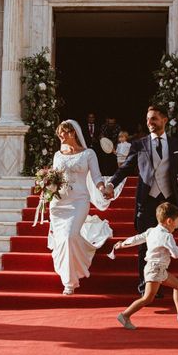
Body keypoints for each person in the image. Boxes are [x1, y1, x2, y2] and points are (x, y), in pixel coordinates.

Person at [104, 105, 178, 296]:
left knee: (162, 246)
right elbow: (125, 168)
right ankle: (144, 286)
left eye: (154, 118)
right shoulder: (139, 144)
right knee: (144, 245)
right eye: (148, 119)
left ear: (164, 120)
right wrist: (111, 184)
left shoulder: (175, 145)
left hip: (167, 203)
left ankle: (157, 282)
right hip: (146, 201)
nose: (150, 122)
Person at [113, 202, 178, 330]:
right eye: (177, 221)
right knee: (147, 298)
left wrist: (123, 244)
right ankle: (124, 315)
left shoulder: (151, 231)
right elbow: (176, 254)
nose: (177, 225)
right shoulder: (167, 236)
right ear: (169, 221)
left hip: (157, 268)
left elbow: (137, 239)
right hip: (156, 269)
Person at [49, 120, 112, 295]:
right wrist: (47, 186)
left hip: (79, 201)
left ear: (73, 133)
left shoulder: (88, 154)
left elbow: (97, 177)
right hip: (59, 203)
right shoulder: (57, 155)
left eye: (63, 132)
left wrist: (102, 189)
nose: (60, 135)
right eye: (59, 133)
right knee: (63, 238)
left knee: (70, 236)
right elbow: (54, 178)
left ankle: (71, 279)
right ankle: (68, 280)